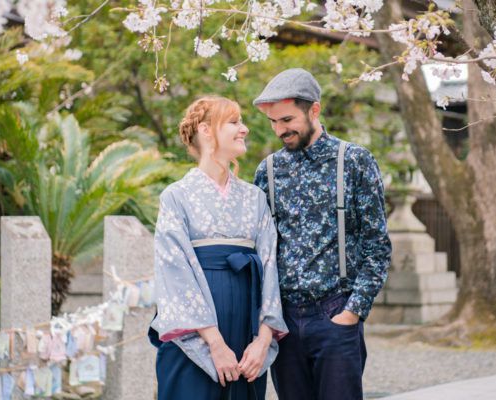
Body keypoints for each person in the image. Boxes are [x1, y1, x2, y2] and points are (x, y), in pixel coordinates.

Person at [252, 68, 392, 400]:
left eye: (286, 119)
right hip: (285, 322)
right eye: (273, 122)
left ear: (314, 110)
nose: (279, 130)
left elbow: (378, 245)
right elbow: (263, 248)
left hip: (335, 314)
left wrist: (353, 311)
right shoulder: (268, 171)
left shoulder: (354, 161)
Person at [148, 96, 288, 400]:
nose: (245, 129)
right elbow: (174, 274)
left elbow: (270, 266)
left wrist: (263, 340)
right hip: (194, 334)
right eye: (234, 122)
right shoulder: (177, 196)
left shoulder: (254, 197)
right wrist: (214, 343)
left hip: (247, 331)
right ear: (206, 130)